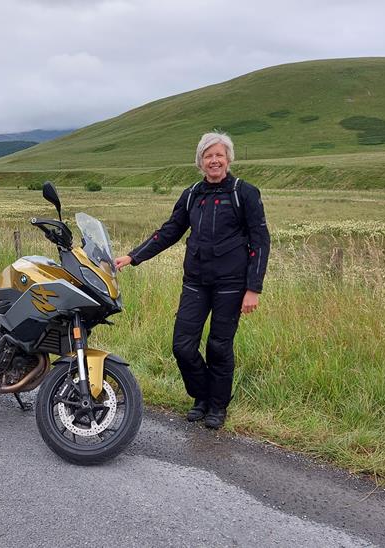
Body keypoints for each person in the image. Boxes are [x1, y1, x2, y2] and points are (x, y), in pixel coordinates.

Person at [114, 132, 270, 429]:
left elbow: (260, 241)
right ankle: (201, 395)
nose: (214, 160)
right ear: (200, 161)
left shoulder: (244, 193)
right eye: (208, 156)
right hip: (196, 281)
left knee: (219, 346)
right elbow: (170, 231)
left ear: (228, 159)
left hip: (232, 284)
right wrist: (134, 257)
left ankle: (217, 406)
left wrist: (253, 288)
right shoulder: (192, 195)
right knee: (182, 346)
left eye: (219, 155)